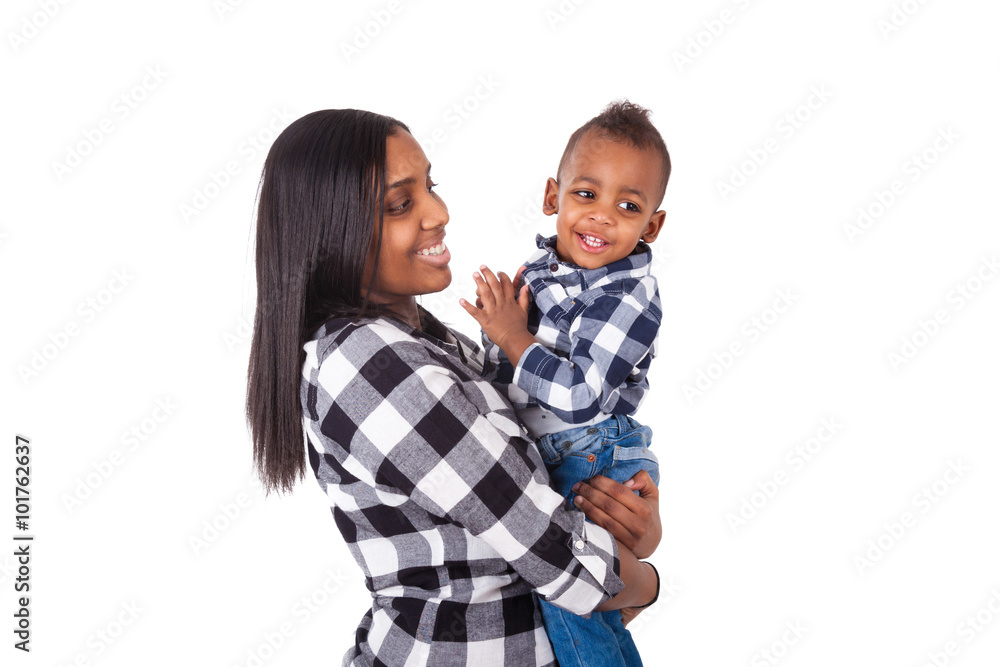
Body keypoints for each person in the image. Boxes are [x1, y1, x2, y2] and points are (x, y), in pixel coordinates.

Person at [245, 108, 662, 666]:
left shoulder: (432, 343)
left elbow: (547, 522)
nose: (439, 213)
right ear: (331, 230)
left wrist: (629, 523)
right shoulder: (368, 362)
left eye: (430, 186)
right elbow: (552, 551)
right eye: (400, 204)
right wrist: (645, 580)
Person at [460, 100, 670, 667]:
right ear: (553, 196)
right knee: (582, 607)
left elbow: (579, 396)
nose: (602, 216)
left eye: (628, 206)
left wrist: (512, 335)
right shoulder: (542, 272)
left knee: (571, 600)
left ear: (652, 226)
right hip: (552, 450)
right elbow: (502, 377)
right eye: (586, 194)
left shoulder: (627, 296)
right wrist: (496, 332)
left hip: (589, 452)